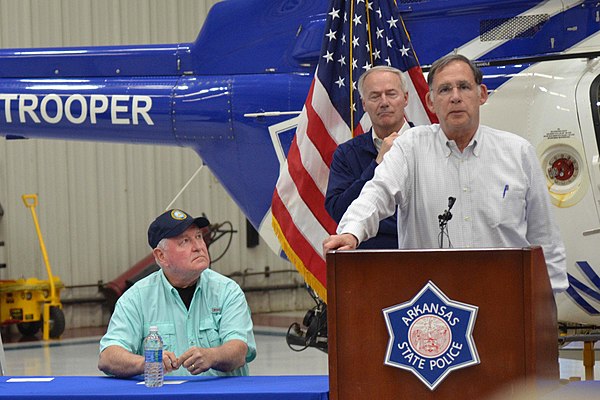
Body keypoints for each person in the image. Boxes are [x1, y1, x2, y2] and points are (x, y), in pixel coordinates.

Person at [322, 54, 568, 292]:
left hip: (504, 299)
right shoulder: (410, 148)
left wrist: (547, 304)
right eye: (445, 90)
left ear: (481, 94)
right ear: (430, 101)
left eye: (464, 87)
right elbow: (377, 193)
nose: (455, 97)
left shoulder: (518, 153)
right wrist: (351, 232)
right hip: (432, 308)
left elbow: (544, 237)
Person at [98, 209, 256, 377]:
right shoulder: (136, 298)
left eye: (198, 237)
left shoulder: (227, 291)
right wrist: (147, 363)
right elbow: (108, 357)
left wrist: (213, 356)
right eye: (185, 241)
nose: (198, 247)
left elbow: (239, 350)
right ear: (161, 256)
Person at [325, 65, 413, 249]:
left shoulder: (429, 145)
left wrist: (376, 224)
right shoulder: (347, 154)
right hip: (369, 260)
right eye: (375, 96)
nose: (384, 102)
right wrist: (377, 163)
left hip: (422, 254)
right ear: (364, 104)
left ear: (405, 98)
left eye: (391, 94)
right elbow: (340, 212)